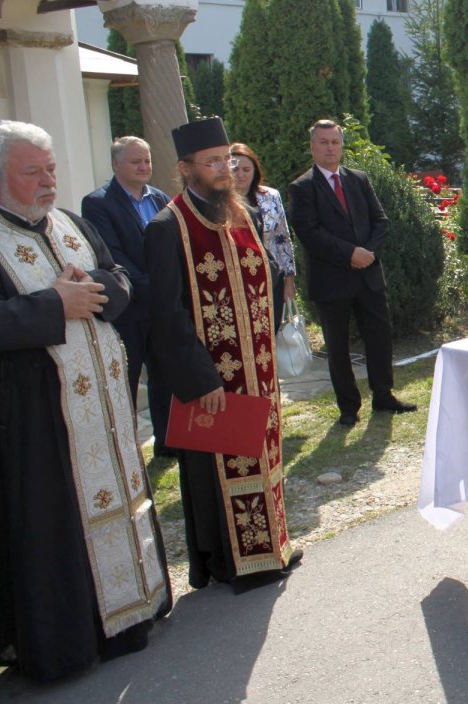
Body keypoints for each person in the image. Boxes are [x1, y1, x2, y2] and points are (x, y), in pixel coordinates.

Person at [0, 121, 170, 680]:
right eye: (32, 172)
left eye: (50, 168)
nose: (48, 181)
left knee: (119, 500)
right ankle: (71, 641)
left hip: (104, 411)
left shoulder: (69, 222)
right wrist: (53, 303)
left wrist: (95, 288)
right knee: (55, 524)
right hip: (37, 419)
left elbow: (117, 278)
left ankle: (132, 614)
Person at [145, 117, 301, 592]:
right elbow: (167, 315)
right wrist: (200, 379)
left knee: (264, 458)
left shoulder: (242, 214)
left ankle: (271, 548)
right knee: (218, 468)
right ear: (186, 168)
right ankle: (230, 563)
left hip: (259, 370)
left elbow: (266, 282)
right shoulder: (167, 227)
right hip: (214, 378)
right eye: (212, 162)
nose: (224, 170)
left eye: (227, 161)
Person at [288, 119, 415, 426]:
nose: (330, 147)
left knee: (379, 338)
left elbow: (380, 221)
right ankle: (348, 407)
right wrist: (350, 254)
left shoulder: (358, 179)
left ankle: (383, 396)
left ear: (341, 145)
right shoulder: (302, 187)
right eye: (323, 142)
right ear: (312, 146)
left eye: (335, 141)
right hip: (332, 280)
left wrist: (367, 252)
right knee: (338, 346)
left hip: (368, 276)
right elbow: (309, 233)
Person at [81, 136, 175, 457]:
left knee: (164, 375)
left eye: (147, 160)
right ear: (116, 164)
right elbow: (113, 255)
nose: (144, 166)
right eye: (136, 161)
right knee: (127, 380)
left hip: (163, 309)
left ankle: (168, 442)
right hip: (131, 310)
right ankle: (124, 449)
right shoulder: (97, 203)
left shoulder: (161, 198)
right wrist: (158, 286)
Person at [231, 142, 297, 304]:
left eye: (246, 170)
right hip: (239, 281)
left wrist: (289, 281)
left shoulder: (271, 196)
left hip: (272, 277)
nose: (240, 175)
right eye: (235, 169)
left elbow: (283, 239)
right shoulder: (219, 202)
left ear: (255, 171)